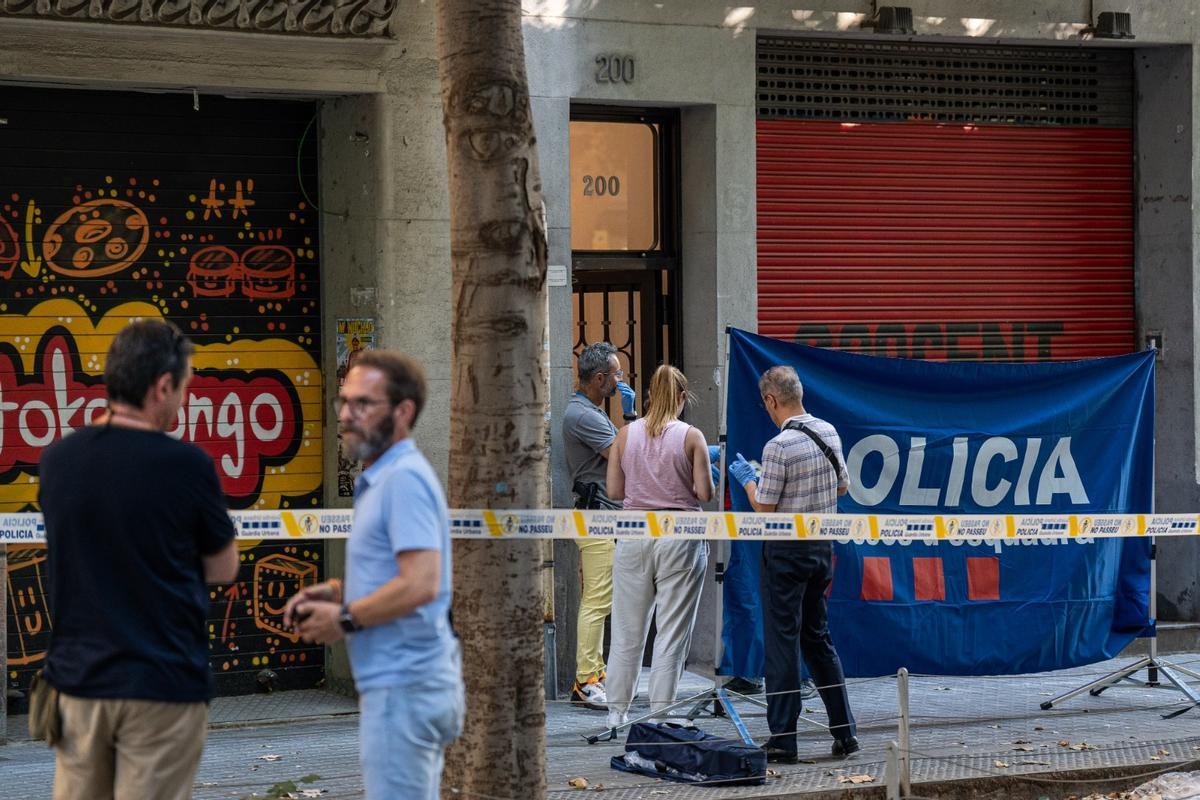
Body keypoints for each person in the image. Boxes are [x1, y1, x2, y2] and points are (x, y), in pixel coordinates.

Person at [39, 320, 239, 800]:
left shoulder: (58, 460)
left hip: (79, 685)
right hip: (162, 684)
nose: (182, 402)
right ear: (162, 386)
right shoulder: (188, 465)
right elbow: (224, 568)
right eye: (183, 388)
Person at [283, 351, 463, 799]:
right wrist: (337, 592)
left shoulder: (402, 479)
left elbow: (421, 582)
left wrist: (344, 619)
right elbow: (400, 574)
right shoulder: (383, 478)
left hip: (404, 687)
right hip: (402, 685)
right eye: (344, 401)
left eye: (363, 403)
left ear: (403, 412)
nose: (346, 414)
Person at [728, 365, 859, 762]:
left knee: (782, 642)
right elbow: (842, 486)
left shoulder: (778, 446)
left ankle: (783, 739)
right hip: (821, 549)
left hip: (786, 553)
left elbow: (764, 506)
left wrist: (748, 478)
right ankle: (845, 732)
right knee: (818, 638)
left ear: (771, 400)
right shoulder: (829, 432)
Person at [605, 365, 713, 728]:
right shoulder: (691, 436)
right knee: (672, 631)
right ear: (681, 397)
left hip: (634, 534)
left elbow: (614, 491)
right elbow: (704, 493)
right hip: (680, 537)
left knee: (627, 630)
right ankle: (660, 713)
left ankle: (617, 712)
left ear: (649, 395)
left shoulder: (624, 434)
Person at [562, 342, 637, 710]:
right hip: (596, 518)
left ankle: (595, 672)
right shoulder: (582, 415)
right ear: (600, 378)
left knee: (601, 599)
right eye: (617, 375)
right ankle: (585, 680)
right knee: (597, 600)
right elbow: (625, 456)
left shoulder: (589, 411)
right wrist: (631, 415)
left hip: (603, 515)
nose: (621, 381)